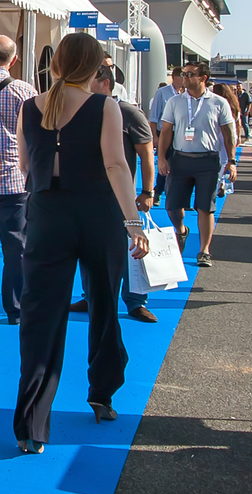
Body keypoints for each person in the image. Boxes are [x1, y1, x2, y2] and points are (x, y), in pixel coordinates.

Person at [13, 32, 149, 454]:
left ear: (55, 65)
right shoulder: (105, 106)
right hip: (98, 215)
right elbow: (116, 165)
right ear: (95, 68)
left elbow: (25, 165)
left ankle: (31, 424)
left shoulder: (28, 107)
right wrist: (133, 223)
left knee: (40, 316)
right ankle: (102, 394)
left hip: (46, 215)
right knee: (104, 304)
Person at [69, 64, 158, 323]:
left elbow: (146, 156)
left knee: (131, 248)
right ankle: (90, 296)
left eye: (89, 81)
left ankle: (135, 301)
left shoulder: (129, 113)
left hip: (120, 195)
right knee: (89, 248)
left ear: (105, 83)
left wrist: (147, 191)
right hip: (87, 194)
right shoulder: (81, 111)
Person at [158, 62, 237, 267]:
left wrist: (231, 161)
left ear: (203, 78)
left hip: (208, 161)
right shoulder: (175, 101)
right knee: (172, 206)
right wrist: (162, 158)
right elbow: (166, 131)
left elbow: (228, 134)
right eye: (183, 74)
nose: (184, 78)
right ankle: (181, 230)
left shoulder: (218, 102)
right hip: (180, 159)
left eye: (190, 74)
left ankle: (204, 250)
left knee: (205, 207)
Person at [0, 35, 37, 325]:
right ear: (13, 60)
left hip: (13, 181)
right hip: (13, 180)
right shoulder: (23, 90)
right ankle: (15, 308)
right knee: (16, 249)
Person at [149, 66, 183, 206]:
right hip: (164, 132)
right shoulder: (162, 93)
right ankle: (158, 191)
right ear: (174, 77)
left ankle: (178, 195)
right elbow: (153, 116)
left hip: (181, 133)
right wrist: (155, 137)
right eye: (182, 76)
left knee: (181, 165)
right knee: (164, 162)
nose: (185, 79)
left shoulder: (187, 94)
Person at [212, 83, 241, 195]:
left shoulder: (217, 103)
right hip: (231, 135)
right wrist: (238, 136)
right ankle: (221, 182)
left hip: (218, 135)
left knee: (218, 162)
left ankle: (218, 184)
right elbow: (238, 122)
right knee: (224, 161)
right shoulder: (234, 105)